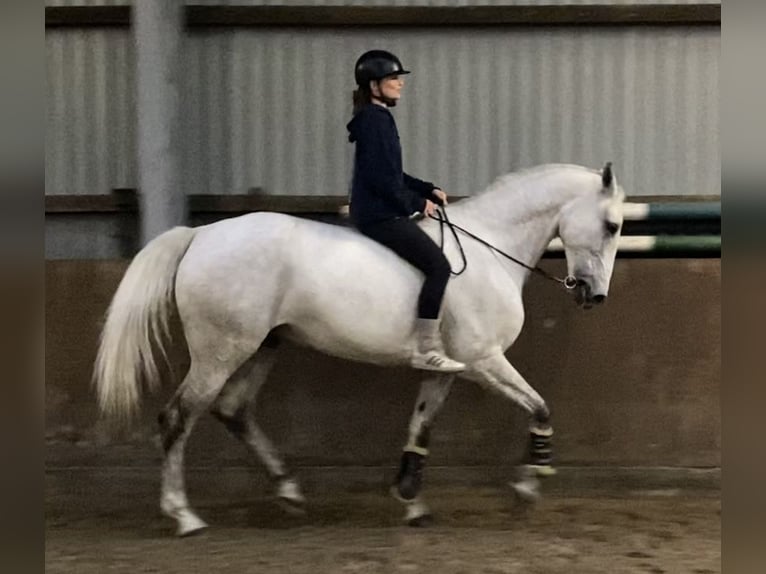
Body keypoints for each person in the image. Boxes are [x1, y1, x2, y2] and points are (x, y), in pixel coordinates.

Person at [346, 50, 465, 374]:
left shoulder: (377, 117)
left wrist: (426, 188)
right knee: (439, 266)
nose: (400, 84)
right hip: (378, 215)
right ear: (374, 86)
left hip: (382, 208)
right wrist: (415, 203)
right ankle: (426, 348)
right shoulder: (374, 120)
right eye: (393, 79)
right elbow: (380, 178)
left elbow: (391, 171)